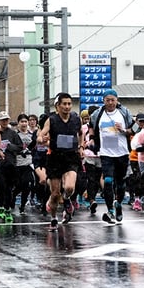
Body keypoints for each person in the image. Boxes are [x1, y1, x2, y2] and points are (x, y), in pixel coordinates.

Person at [36, 93, 84, 230]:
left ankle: (67, 200)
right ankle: (53, 218)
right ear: (58, 106)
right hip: (55, 158)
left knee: (69, 187)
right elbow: (41, 134)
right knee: (55, 194)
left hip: (71, 157)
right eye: (64, 104)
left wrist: (81, 146)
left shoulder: (76, 119)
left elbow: (81, 133)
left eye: (69, 104)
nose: (67, 107)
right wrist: (41, 139)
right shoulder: (52, 120)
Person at [89, 89, 133, 224]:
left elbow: (136, 128)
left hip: (122, 153)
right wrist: (91, 138)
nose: (110, 103)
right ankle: (110, 210)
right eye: (107, 100)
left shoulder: (124, 112)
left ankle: (118, 204)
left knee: (120, 183)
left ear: (117, 100)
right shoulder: (98, 113)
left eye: (112, 100)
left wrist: (124, 130)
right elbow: (91, 125)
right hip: (106, 153)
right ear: (103, 101)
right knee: (108, 181)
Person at [0, 111, 23, 222]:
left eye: (6, 120)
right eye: (3, 120)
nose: (5, 122)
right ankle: (0, 207)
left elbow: (20, 147)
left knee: (9, 188)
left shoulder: (13, 134)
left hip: (11, 165)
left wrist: (10, 147)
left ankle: (7, 209)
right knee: (0, 187)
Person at [12, 113, 36, 215]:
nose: (24, 123)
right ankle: (13, 196)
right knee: (19, 185)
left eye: (25, 121)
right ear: (18, 123)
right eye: (22, 121)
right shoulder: (15, 135)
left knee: (27, 184)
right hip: (18, 163)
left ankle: (22, 206)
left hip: (28, 163)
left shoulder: (31, 135)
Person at [81, 109, 102, 215]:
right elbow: (80, 139)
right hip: (88, 155)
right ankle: (91, 200)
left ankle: (91, 197)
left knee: (97, 179)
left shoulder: (101, 126)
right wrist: (83, 146)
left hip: (100, 155)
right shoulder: (84, 127)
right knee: (91, 178)